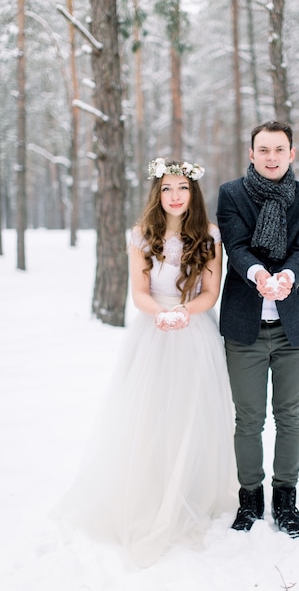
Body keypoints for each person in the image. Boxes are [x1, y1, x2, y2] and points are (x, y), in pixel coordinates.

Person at [56, 158, 236, 567]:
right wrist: (160, 314)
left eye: (183, 188)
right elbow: (138, 291)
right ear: (158, 193)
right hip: (153, 332)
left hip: (195, 331)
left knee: (192, 412)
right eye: (168, 188)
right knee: (151, 413)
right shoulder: (141, 235)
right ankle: (152, 489)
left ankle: (190, 489)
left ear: (194, 193)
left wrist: (185, 314)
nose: (175, 196)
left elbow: (211, 291)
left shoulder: (209, 236)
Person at [216, 120, 299, 538]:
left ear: (291, 154)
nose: (272, 157)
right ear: (252, 153)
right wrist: (260, 273)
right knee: (248, 419)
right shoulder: (231, 195)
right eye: (264, 149)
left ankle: (286, 498)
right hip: (245, 326)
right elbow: (236, 245)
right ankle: (250, 497)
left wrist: (288, 277)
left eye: (279, 149)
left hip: (294, 327)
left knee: (290, 417)